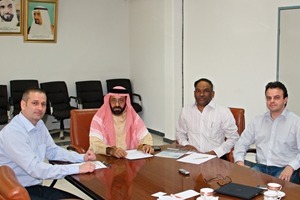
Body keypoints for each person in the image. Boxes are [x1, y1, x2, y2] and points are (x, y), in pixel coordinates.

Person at [0, 88, 97, 199]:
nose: (40, 108)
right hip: (21, 192)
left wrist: (82, 158)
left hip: (36, 187)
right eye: (35, 103)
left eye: (43, 104)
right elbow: (36, 169)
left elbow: (53, 151)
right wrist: (77, 168)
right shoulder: (13, 133)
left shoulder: (39, 124)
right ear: (23, 104)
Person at [234, 81, 300, 184]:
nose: (272, 101)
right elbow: (242, 142)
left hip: (284, 169)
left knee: (275, 191)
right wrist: (239, 161)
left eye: (276, 97)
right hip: (261, 168)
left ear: (285, 100)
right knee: (243, 184)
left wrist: (291, 166)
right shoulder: (258, 121)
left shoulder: (296, 122)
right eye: (269, 98)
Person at [176, 78, 239, 159]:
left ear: (212, 94)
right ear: (194, 93)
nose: (201, 94)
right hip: (191, 156)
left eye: (206, 91)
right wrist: (186, 144)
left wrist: (215, 152)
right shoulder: (186, 110)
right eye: (198, 91)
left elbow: (233, 137)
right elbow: (180, 133)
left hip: (216, 158)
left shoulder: (223, 112)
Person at [89, 86, 154, 158]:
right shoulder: (99, 118)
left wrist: (145, 145)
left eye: (121, 100)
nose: (117, 104)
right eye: (113, 100)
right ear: (109, 101)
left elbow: (145, 137)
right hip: (106, 159)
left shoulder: (133, 117)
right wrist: (111, 151)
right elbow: (95, 144)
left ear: (126, 101)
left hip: (129, 160)